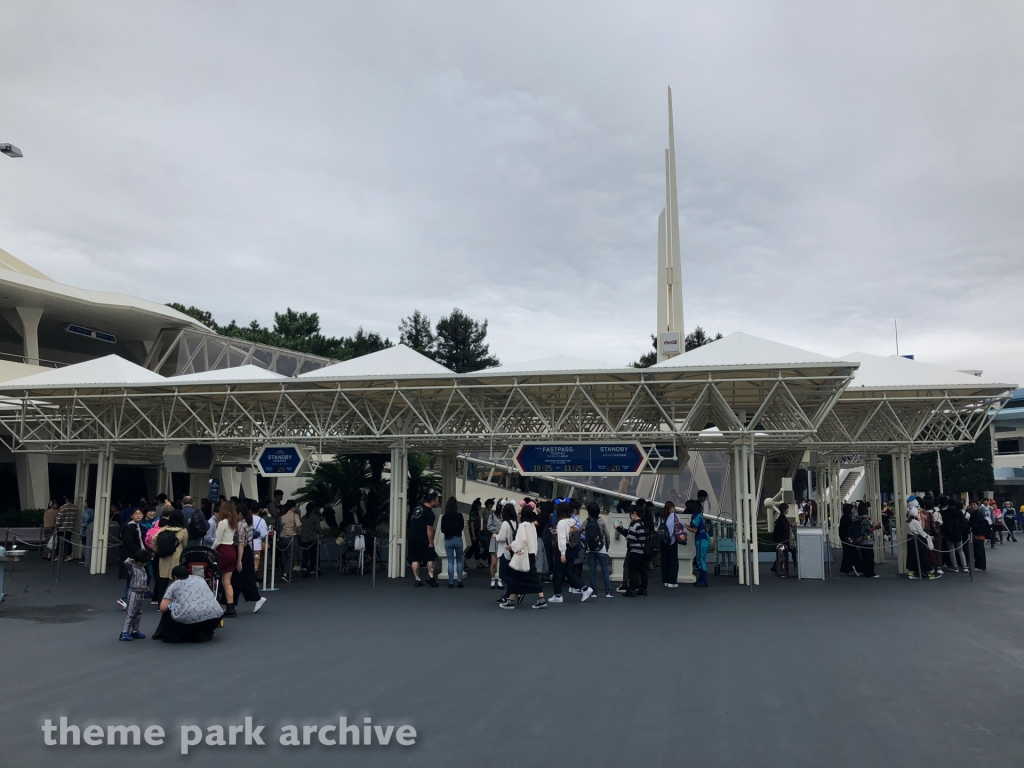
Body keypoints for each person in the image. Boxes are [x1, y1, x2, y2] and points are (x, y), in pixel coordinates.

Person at [154, 565, 225, 643]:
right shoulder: (200, 579)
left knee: (170, 609)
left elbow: (163, 608)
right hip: (215, 615)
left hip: (189, 617)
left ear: (175, 577)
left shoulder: (175, 584)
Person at [500, 505, 547, 609]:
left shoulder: (522, 526)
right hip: (531, 553)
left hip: (523, 555)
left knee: (516, 577)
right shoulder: (532, 525)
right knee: (532, 577)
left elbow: (521, 541)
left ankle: (511, 601)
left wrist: (512, 546)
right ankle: (541, 598)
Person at [550, 503, 592, 602]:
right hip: (572, 548)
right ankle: (585, 588)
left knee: (557, 572)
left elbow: (561, 540)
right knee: (569, 571)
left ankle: (557, 595)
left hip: (564, 550)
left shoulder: (561, 523)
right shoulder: (572, 521)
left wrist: (562, 554)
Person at [233, 502, 267, 613]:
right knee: (244, 579)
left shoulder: (241, 525)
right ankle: (232, 603)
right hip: (248, 551)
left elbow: (241, 543)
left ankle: (231, 603)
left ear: (239, 513)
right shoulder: (248, 523)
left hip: (242, 552)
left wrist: (239, 560)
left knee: (238, 578)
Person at [152, 509, 188, 603]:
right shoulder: (183, 530)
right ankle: (176, 601)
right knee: (176, 580)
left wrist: (157, 550)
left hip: (163, 556)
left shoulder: (164, 528)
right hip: (176, 556)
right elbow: (184, 544)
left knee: (163, 581)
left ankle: (160, 603)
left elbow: (153, 538)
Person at [213, 501, 240, 617]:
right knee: (227, 582)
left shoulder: (222, 523)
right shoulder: (233, 523)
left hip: (222, 551)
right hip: (231, 550)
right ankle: (231, 608)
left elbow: (218, 541)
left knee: (215, 579)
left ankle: (215, 604)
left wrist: (210, 549)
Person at [118, 549, 152, 641]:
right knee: (131, 613)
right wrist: (132, 559)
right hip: (134, 593)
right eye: (144, 562)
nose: (145, 564)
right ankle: (124, 633)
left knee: (138, 613)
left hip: (141, 593)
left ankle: (135, 630)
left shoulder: (142, 568)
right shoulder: (132, 567)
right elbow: (126, 562)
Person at [408, 492, 440, 587]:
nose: (438, 502)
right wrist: (431, 542)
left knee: (414, 558)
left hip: (412, 537)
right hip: (423, 538)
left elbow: (412, 518)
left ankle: (417, 579)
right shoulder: (430, 513)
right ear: (433, 501)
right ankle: (431, 576)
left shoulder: (418, 507)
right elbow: (429, 529)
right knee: (430, 556)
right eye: (437, 500)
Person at [616, 505, 648, 597]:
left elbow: (630, 538)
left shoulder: (635, 524)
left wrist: (627, 538)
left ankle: (632, 589)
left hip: (635, 551)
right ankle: (643, 588)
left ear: (634, 513)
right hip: (643, 551)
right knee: (642, 570)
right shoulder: (643, 523)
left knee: (632, 570)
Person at [117, 507, 146, 609]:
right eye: (136, 514)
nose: (138, 515)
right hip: (132, 557)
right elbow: (130, 542)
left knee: (131, 579)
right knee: (134, 578)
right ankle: (125, 598)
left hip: (134, 555)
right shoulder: (130, 527)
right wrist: (140, 552)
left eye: (140, 513)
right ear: (132, 516)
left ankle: (127, 599)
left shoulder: (137, 526)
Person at [583, 502, 613, 597]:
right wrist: (607, 545)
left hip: (591, 549)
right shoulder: (601, 521)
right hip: (601, 548)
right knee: (605, 570)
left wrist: (585, 541)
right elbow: (607, 535)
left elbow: (579, 530)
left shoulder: (586, 521)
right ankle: (608, 592)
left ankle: (594, 592)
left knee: (592, 570)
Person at [906, 508, 940, 579]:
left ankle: (913, 573)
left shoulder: (909, 521)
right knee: (923, 556)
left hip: (911, 539)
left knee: (912, 556)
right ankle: (930, 573)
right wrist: (929, 536)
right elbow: (921, 532)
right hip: (918, 539)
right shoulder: (915, 522)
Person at [495, 503, 519, 603]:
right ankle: (507, 595)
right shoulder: (517, 523)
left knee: (502, 575)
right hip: (514, 551)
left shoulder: (505, 523)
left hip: (505, 551)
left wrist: (495, 536)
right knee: (510, 574)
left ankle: (517, 588)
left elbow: (501, 538)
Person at [440, 496, 465, 588]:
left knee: (450, 561)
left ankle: (451, 582)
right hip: (458, 539)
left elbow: (442, 529)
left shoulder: (444, 517)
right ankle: (459, 580)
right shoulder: (460, 516)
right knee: (459, 560)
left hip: (448, 540)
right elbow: (462, 527)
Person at [658, 500, 684, 587]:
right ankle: (672, 581)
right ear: (671, 508)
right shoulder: (674, 515)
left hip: (663, 542)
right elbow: (681, 525)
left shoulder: (661, 516)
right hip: (672, 541)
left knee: (664, 561)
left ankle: (665, 580)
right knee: (673, 561)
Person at [685, 499, 710, 587]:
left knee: (700, 560)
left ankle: (704, 580)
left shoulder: (695, 516)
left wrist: (684, 526)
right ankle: (702, 579)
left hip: (701, 539)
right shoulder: (699, 515)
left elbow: (694, 530)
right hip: (704, 538)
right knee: (701, 559)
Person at [852, 502, 880, 578]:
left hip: (860, 540)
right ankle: (870, 573)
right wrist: (876, 524)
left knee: (864, 557)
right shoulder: (866, 519)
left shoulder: (857, 518)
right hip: (867, 540)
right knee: (870, 557)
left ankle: (864, 570)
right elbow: (870, 527)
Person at [277, 500, 301, 583]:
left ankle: (287, 573)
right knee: (291, 556)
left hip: (283, 537)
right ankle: (286, 573)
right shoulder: (295, 515)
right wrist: (298, 532)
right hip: (292, 537)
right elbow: (298, 525)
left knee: (284, 556)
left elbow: (281, 526)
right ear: (293, 507)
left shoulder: (283, 516)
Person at [484, 498, 503, 589]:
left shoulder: (507, 517)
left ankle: (500, 580)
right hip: (495, 539)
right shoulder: (492, 516)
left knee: (502, 562)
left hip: (503, 540)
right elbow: (489, 527)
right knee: (494, 562)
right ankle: (492, 579)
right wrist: (498, 530)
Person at [770, 503, 793, 577]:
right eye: (787, 509)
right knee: (792, 551)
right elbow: (785, 528)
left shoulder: (780, 518)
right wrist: (792, 526)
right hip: (784, 539)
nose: (788, 510)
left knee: (781, 554)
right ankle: (796, 564)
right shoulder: (783, 519)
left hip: (781, 539)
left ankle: (775, 567)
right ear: (784, 510)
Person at [299, 503, 321, 578]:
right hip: (313, 538)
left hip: (304, 538)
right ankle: (316, 568)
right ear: (313, 509)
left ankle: (304, 569)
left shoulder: (303, 517)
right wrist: (320, 533)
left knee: (305, 554)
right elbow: (318, 528)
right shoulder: (315, 517)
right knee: (315, 554)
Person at [463, 498, 485, 570]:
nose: (480, 507)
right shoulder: (473, 513)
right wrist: (473, 535)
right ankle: (476, 562)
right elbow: (472, 525)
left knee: (474, 548)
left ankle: (466, 561)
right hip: (473, 532)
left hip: (476, 532)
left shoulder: (476, 513)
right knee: (475, 548)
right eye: (479, 506)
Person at [249, 500, 269, 579]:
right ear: (259, 510)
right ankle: (254, 579)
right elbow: (264, 534)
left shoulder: (247, 519)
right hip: (257, 545)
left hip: (247, 545)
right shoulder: (262, 521)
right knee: (255, 564)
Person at [839, 503, 859, 576]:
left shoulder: (844, 517)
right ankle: (847, 569)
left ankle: (846, 569)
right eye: (852, 508)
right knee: (850, 553)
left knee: (847, 553)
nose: (853, 510)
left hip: (844, 538)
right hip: (847, 539)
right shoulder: (847, 518)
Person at [969, 503, 991, 571]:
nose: (973, 506)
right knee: (977, 550)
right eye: (971, 504)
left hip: (979, 533)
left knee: (979, 550)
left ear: (977, 505)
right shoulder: (974, 513)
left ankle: (981, 566)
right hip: (976, 533)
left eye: (974, 504)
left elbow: (977, 524)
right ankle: (978, 564)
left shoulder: (978, 514)